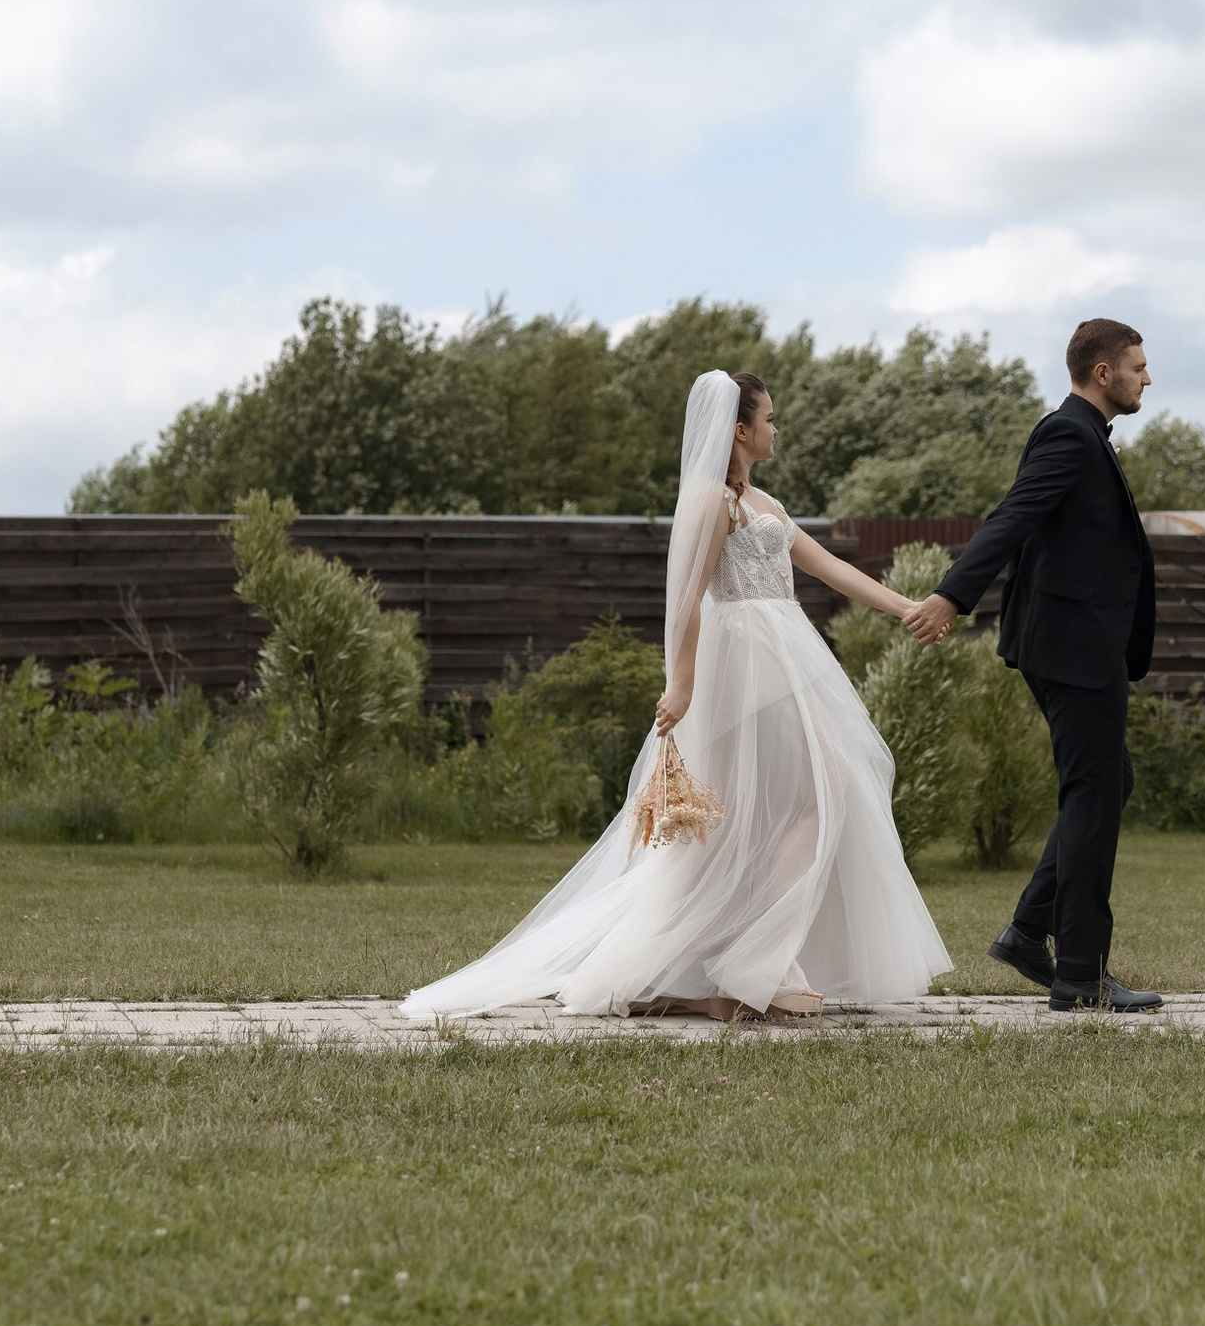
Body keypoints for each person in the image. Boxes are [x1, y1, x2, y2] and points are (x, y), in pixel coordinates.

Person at [401, 369, 952, 1021]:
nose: (777, 429)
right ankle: (752, 961)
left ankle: (731, 964)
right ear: (741, 429)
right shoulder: (711, 501)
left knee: (806, 797)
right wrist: (682, 681)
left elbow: (826, 565)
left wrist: (905, 606)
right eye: (769, 419)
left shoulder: (765, 505)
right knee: (812, 793)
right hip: (747, 663)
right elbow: (688, 595)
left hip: (787, 657)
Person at [903, 318, 1164, 1012]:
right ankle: (1080, 971)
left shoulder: (1086, 438)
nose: (1147, 377)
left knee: (1107, 784)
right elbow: (1011, 516)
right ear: (1102, 372)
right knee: (1093, 795)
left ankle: (1028, 931)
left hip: (1078, 643)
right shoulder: (1068, 433)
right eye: (1138, 366)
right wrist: (951, 595)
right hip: (1073, 647)